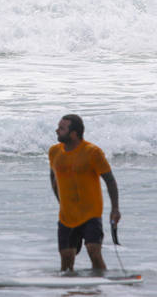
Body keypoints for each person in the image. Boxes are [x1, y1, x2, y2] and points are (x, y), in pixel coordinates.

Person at [48, 114, 121, 273]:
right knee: (66, 261)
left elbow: (110, 181)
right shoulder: (54, 152)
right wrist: (61, 203)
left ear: (73, 133)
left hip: (90, 213)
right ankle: (70, 290)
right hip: (67, 216)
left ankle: (99, 287)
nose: (57, 130)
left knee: (94, 251)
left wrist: (115, 209)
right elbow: (53, 178)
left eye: (61, 128)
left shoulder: (92, 152)